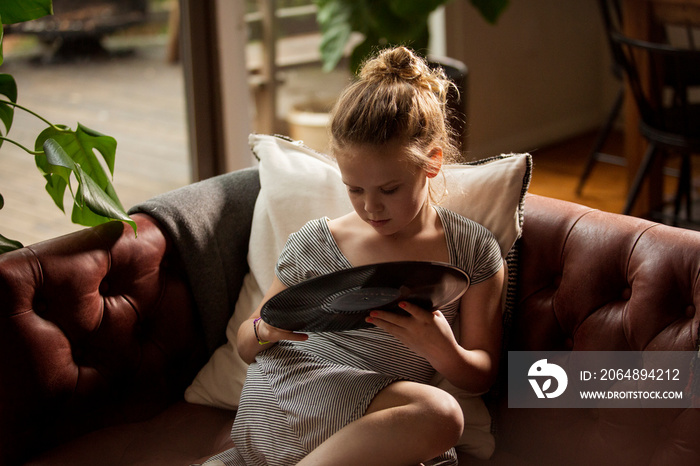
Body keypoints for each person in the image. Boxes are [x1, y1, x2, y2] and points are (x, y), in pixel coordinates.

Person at [209, 46, 504, 466]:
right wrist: (264, 329)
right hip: (286, 391)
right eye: (355, 189)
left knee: (437, 441)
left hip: (369, 425)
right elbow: (245, 343)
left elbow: (482, 374)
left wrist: (443, 350)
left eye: (389, 190)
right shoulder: (315, 242)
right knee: (440, 415)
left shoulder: (473, 251)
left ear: (433, 162)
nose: (371, 208)